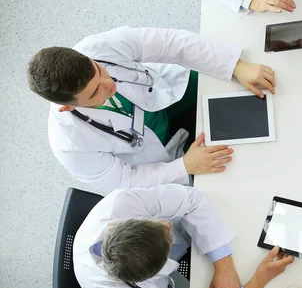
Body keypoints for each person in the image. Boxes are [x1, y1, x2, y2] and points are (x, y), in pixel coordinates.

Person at [28, 26, 276, 194]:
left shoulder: (99, 46)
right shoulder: (70, 144)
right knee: (240, 176)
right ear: (66, 107)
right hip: (163, 154)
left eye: (99, 70)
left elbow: (173, 44)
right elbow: (125, 181)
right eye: (95, 93)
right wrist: (183, 167)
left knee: (247, 93)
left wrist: (235, 66)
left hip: (166, 93)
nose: (109, 84)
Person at [73, 184, 295, 288]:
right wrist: (259, 281)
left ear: (116, 226)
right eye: (168, 240)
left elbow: (191, 199)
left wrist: (223, 264)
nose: (168, 226)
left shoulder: (120, 204)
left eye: (159, 223)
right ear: (153, 274)